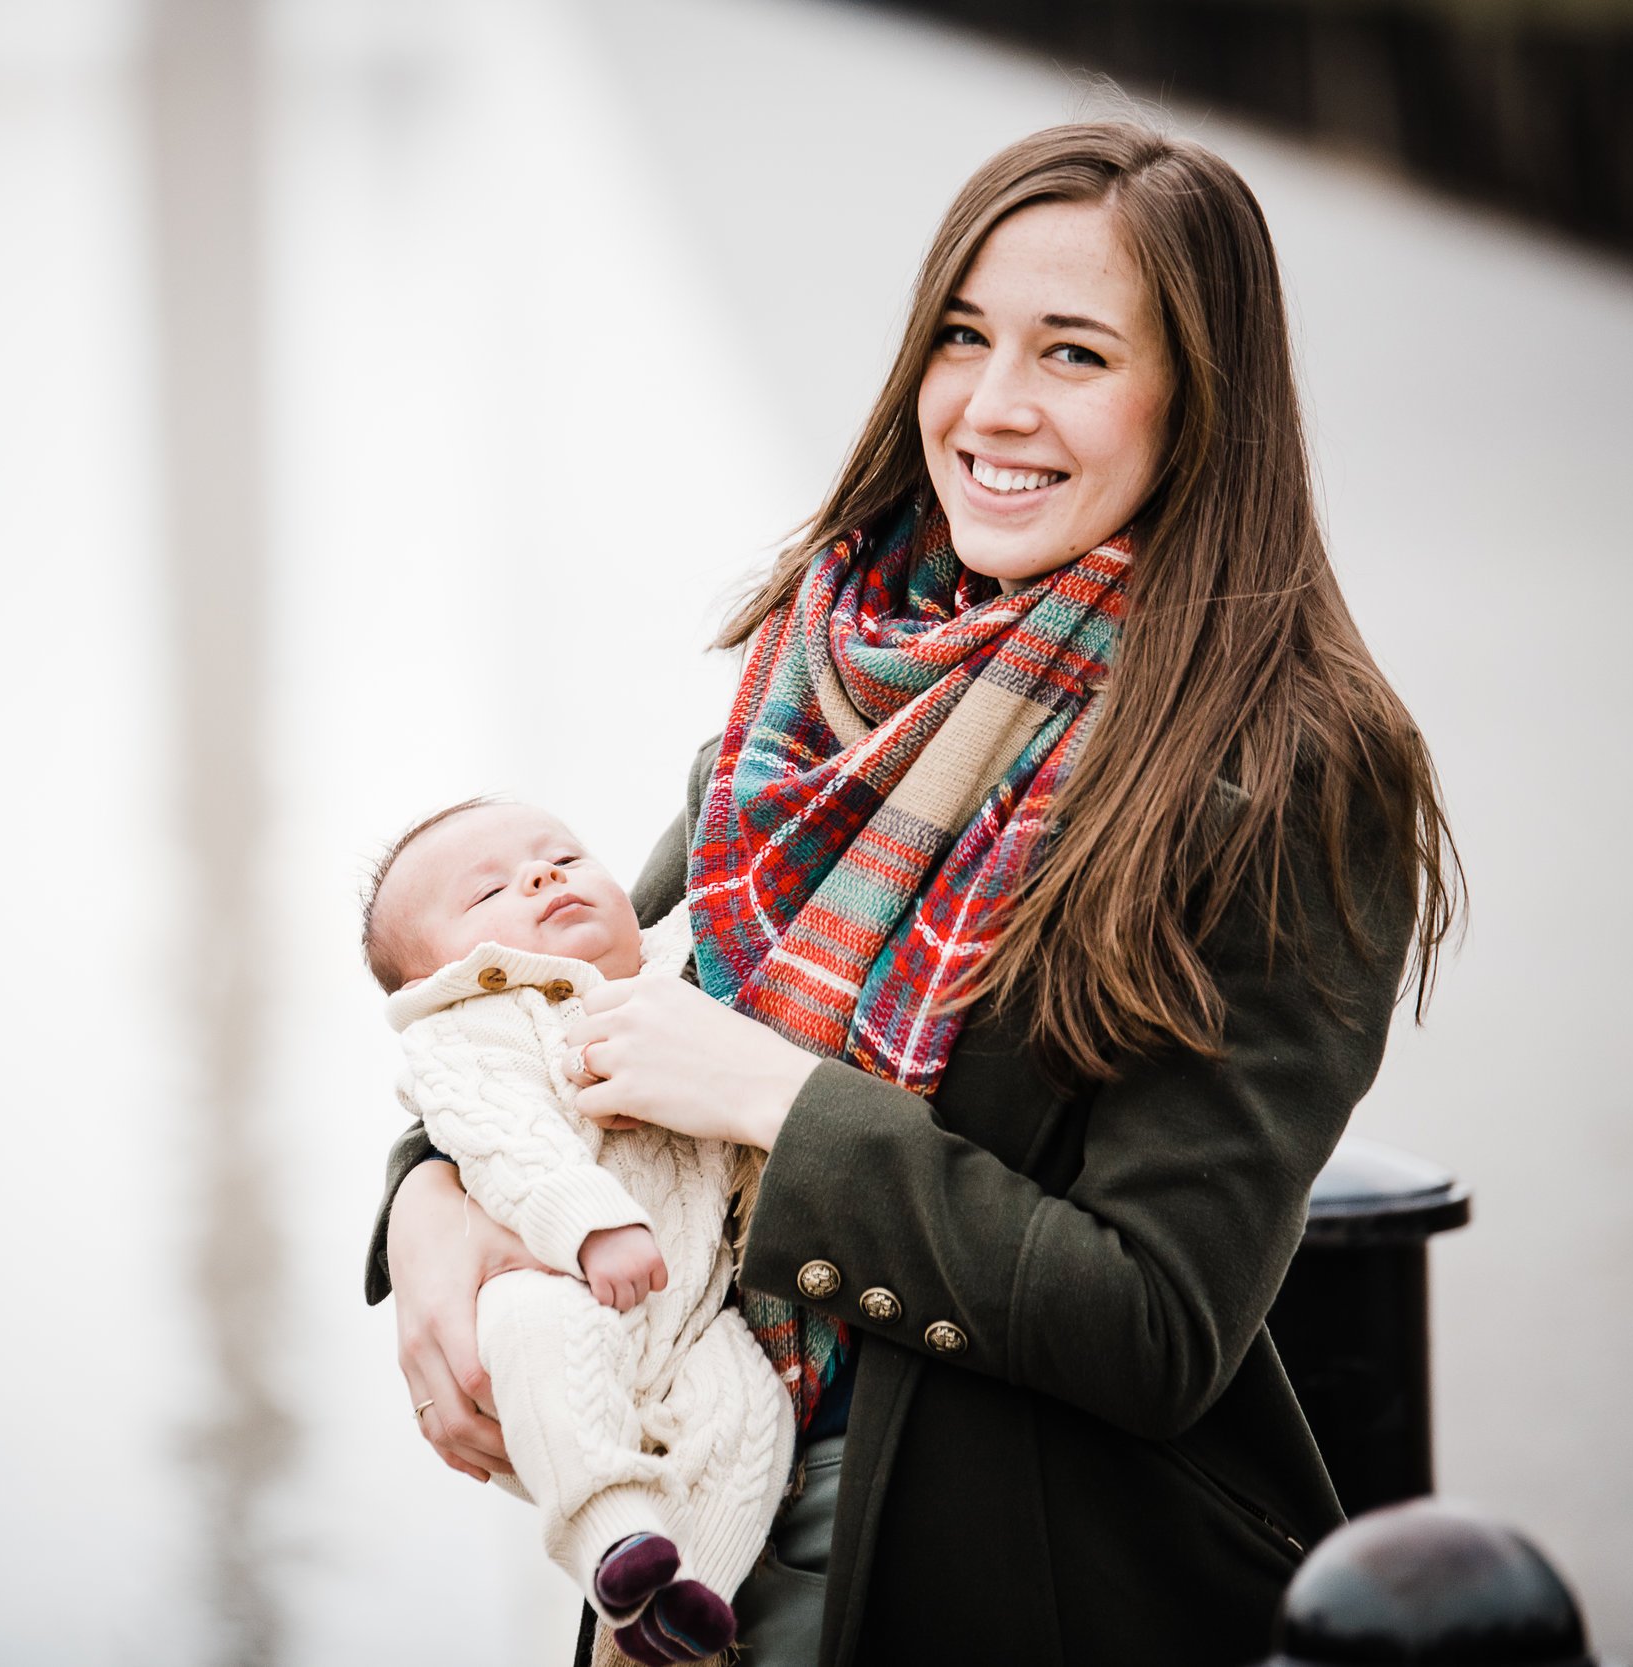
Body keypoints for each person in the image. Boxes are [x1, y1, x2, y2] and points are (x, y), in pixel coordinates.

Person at [364, 119, 1459, 1667]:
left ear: (1199, 396)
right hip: (695, 1536)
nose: (992, 407)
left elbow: (1157, 1326)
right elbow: (563, 981)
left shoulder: (1283, 777)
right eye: (963, 335)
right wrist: (425, 1195)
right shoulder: (819, 676)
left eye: (1074, 354)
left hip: (1006, 1582)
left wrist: (786, 1106)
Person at [364, 798, 792, 1665]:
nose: (542, 874)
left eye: (563, 854)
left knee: (751, 1408)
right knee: (533, 1332)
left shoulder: (685, 958)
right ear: (440, 978)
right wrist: (592, 1228)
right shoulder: (471, 1031)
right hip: (560, 1275)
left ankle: (680, 1606)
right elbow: (502, 1137)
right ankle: (610, 1532)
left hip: (693, 1313)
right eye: (488, 892)